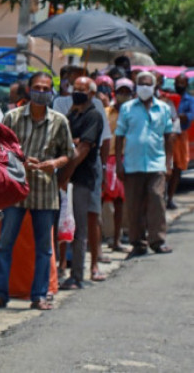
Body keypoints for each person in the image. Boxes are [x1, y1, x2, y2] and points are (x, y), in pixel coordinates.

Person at [0, 72, 73, 310]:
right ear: (29, 90)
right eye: (37, 87)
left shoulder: (59, 121)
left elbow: (69, 153)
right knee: (5, 244)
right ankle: (0, 293)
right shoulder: (12, 117)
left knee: (44, 248)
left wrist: (54, 164)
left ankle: (39, 295)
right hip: (16, 189)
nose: (41, 92)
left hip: (45, 191)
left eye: (45, 88)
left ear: (51, 92)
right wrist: (20, 161)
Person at [115, 71, 175, 258]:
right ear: (136, 86)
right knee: (134, 205)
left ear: (154, 86)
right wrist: (118, 162)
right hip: (132, 164)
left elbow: (168, 136)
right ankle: (138, 243)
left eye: (148, 84)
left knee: (157, 199)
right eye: (141, 84)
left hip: (156, 163)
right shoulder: (127, 109)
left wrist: (169, 162)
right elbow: (119, 136)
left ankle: (157, 240)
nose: (144, 87)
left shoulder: (163, 108)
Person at [58, 77, 105, 289]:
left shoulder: (93, 115)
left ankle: (77, 275)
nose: (77, 92)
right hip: (66, 176)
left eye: (82, 89)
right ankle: (60, 268)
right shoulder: (72, 114)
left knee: (79, 227)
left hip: (82, 177)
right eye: (75, 88)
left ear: (92, 93)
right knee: (62, 225)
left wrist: (65, 174)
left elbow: (83, 149)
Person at [103, 78, 134, 253]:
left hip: (126, 158)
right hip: (107, 158)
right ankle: (108, 236)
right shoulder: (106, 112)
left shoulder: (133, 112)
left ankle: (119, 237)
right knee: (106, 200)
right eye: (121, 91)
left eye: (127, 92)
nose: (124, 95)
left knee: (121, 200)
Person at [168, 73, 194, 209]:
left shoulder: (189, 100)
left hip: (181, 135)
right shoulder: (170, 98)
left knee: (178, 168)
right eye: (177, 83)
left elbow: (190, 116)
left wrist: (180, 116)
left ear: (186, 84)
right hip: (167, 135)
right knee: (167, 168)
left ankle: (170, 198)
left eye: (182, 83)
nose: (179, 86)